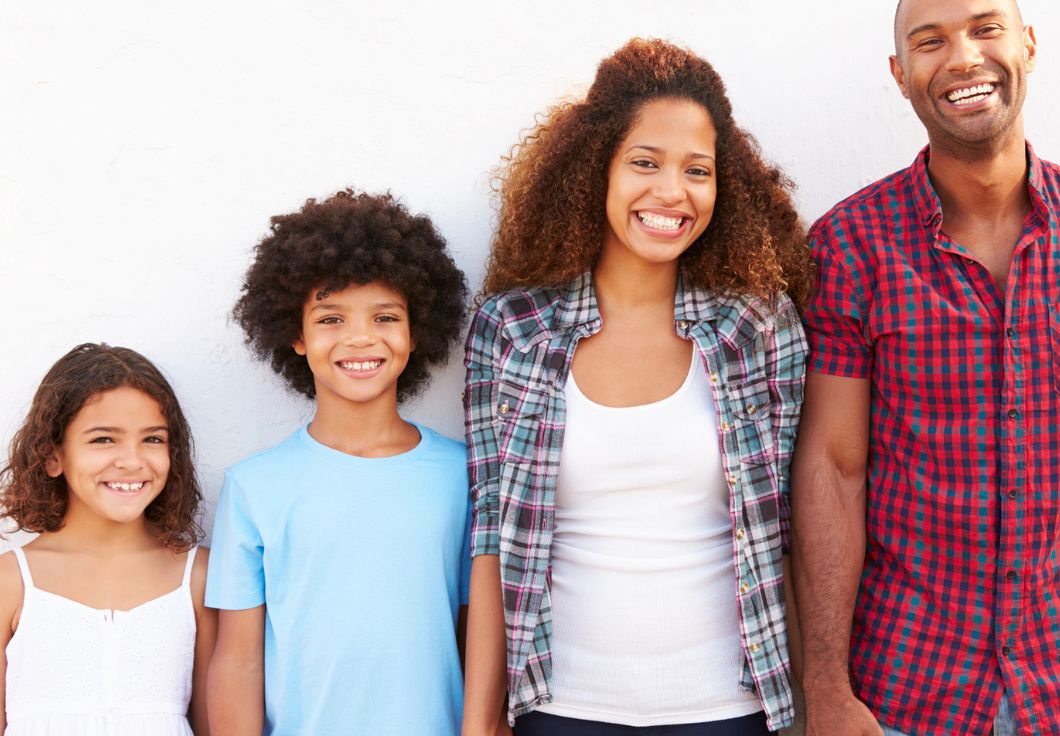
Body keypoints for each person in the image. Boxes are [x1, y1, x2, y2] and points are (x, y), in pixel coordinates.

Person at [792, 0, 1060, 736]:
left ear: (1029, 44)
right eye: (930, 41)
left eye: (986, 29)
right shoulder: (849, 245)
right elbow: (833, 470)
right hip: (910, 690)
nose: (963, 57)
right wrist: (826, 687)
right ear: (901, 74)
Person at [462, 37, 812, 736]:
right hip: (561, 711)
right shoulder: (513, 330)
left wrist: (808, 710)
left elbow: (788, 536)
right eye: (645, 162)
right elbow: (492, 543)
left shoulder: (760, 329)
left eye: (698, 170)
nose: (671, 192)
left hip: (726, 711)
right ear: (597, 170)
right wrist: (478, 726)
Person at [205, 190, 471, 735]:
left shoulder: (463, 477)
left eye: (385, 316)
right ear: (295, 336)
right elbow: (237, 660)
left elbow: (480, 635)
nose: (359, 337)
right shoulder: (255, 487)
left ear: (416, 331)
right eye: (330, 318)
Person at [0, 342, 216, 735]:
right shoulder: (10, 581)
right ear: (52, 456)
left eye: (152, 439)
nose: (132, 461)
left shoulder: (199, 576)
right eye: (103, 439)